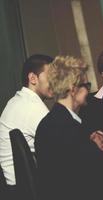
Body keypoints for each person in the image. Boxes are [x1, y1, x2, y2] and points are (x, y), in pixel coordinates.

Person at [35, 56, 103, 200]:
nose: (89, 91)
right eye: (86, 86)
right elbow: (101, 172)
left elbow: (85, 164)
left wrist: (91, 147)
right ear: (73, 89)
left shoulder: (52, 122)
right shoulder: (69, 129)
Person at [0, 54, 53, 186]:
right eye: (51, 77)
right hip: (24, 188)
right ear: (33, 78)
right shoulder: (32, 107)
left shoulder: (17, 100)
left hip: (12, 185)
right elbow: (60, 144)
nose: (56, 82)